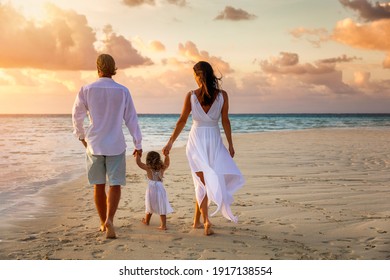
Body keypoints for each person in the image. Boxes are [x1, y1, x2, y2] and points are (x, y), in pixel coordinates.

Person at [162, 61, 244, 236]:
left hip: (197, 140)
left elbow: (182, 121)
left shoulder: (191, 95)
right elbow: (225, 121)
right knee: (203, 181)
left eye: (194, 75)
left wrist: (170, 142)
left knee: (201, 181)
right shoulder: (222, 95)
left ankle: (204, 221)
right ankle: (198, 221)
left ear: (199, 75)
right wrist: (230, 144)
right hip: (213, 140)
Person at [72, 53, 142, 239]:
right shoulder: (123, 91)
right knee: (115, 184)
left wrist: (81, 137)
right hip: (116, 144)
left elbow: (76, 116)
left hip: (94, 144)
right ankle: (110, 219)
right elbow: (131, 118)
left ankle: (103, 223)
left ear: (98, 68)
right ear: (113, 69)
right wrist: (138, 142)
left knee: (99, 186)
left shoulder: (86, 89)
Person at [135, 151, 173, 230]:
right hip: (160, 189)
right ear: (159, 159)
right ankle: (163, 225)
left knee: (150, 205)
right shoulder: (162, 167)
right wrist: (166, 155)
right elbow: (167, 163)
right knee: (161, 205)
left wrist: (137, 154)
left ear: (148, 160)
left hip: (151, 190)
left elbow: (139, 163)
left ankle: (147, 221)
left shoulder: (148, 168)